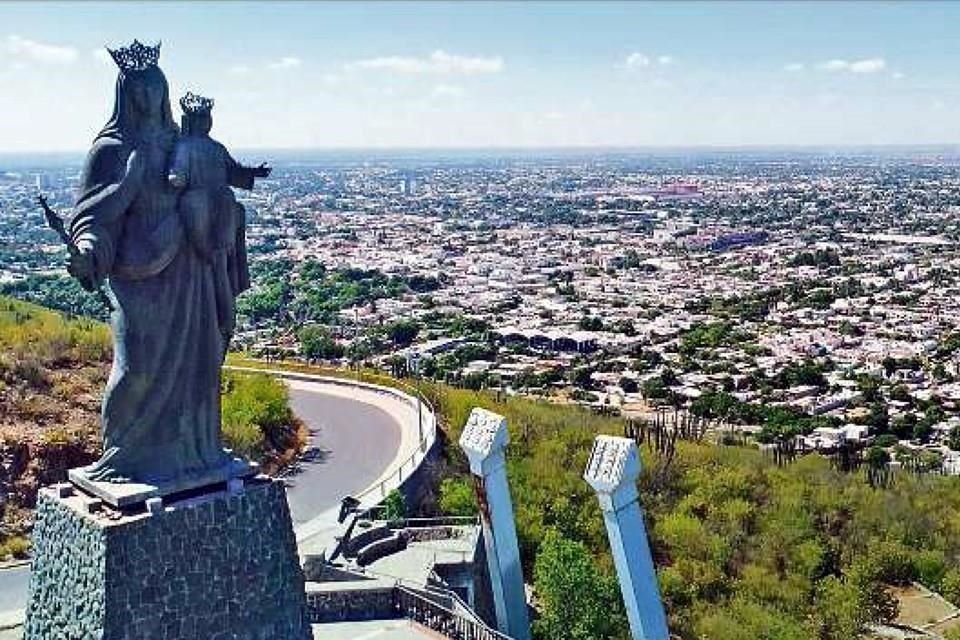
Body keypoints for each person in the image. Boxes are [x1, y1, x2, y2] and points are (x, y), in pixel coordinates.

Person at [66, 41, 268, 487]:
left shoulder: (181, 142)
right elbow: (92, 216)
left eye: (153, 87)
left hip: (190, 269)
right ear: (124, 95)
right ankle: (121, 458)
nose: (147, 97)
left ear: (164, 91)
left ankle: (194, 454)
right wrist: (87, 249)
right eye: (137, 89)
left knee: (199, 365)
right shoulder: (110, 149)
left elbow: (217, 171)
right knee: (135, 370)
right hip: (138, 275)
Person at [169, 92, 270, 342]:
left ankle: (214, 314)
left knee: (207, 258)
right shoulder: (215, 147)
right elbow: (234, 173)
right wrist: (254, 172)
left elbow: (177, 178)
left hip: (198, 205)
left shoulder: (184, 147)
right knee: (219, 263)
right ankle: (226, 317)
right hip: (224, 204)